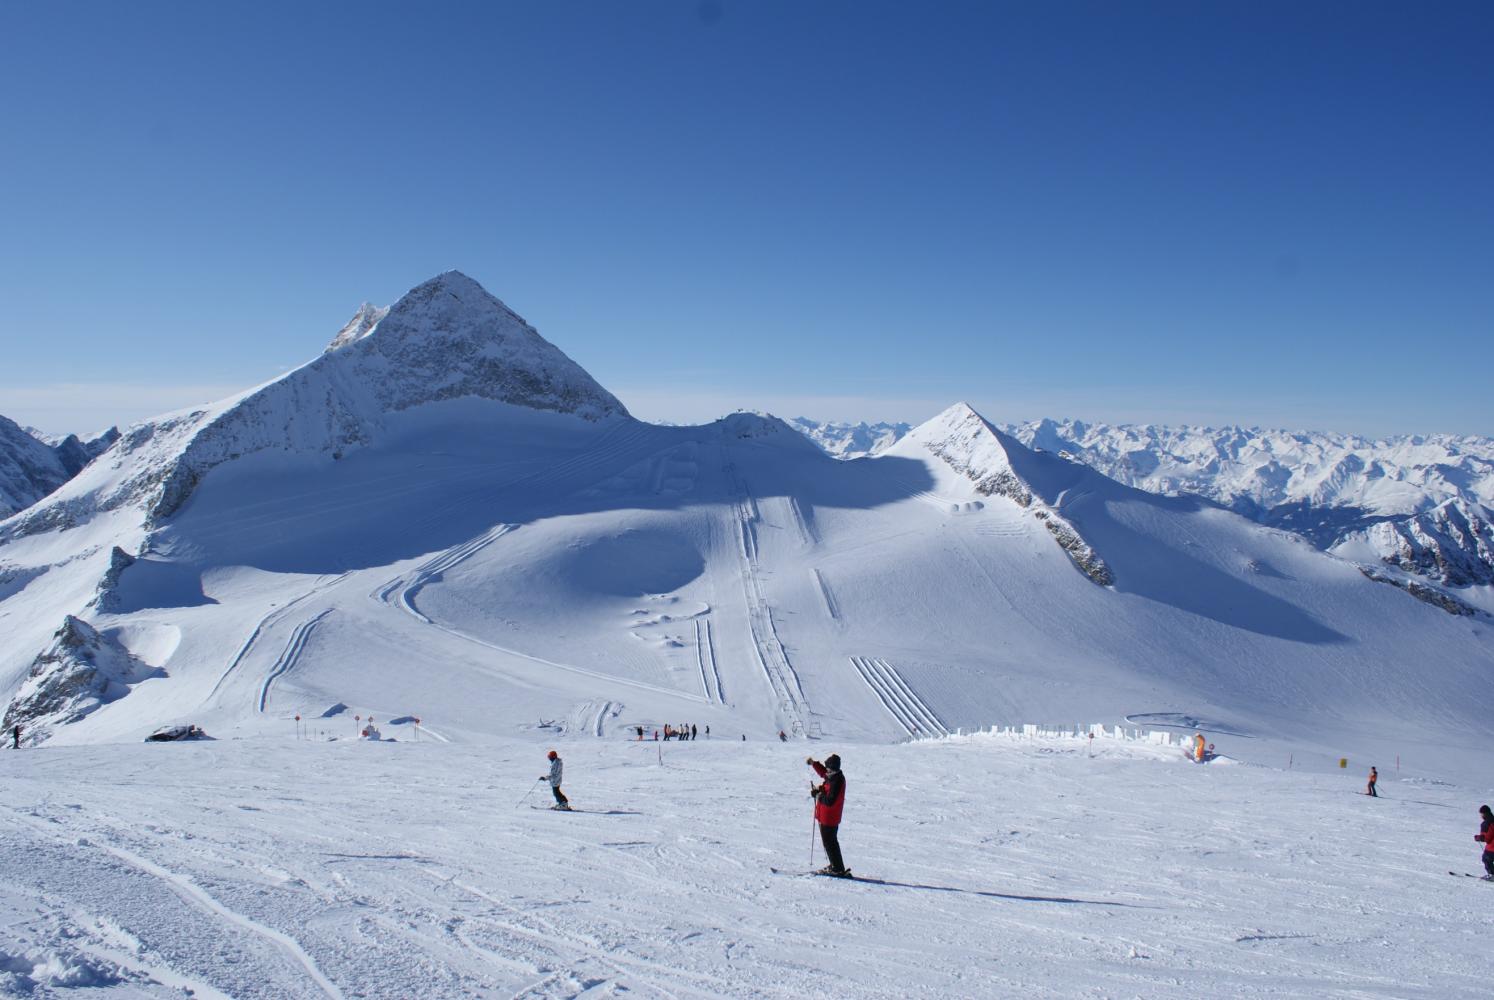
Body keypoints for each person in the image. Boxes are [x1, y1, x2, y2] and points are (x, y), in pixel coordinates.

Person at [807, 754, 849, 877]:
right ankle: (836, 866)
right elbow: (823, 773)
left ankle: (837, 868)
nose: (827, 770)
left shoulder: (837, 781)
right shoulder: (833, 776)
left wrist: (818, 795)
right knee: (831, 842)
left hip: (830, 817)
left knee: (829, 842)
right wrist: (814, 763)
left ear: (833, 768)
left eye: (829, 768)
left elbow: (830, 800)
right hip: (827, 816)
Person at [1476, 805, 1494, 880]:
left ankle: (1492, 875)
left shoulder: (1489, 823)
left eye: (1482, 814)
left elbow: (1487, 838)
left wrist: (1479, 838)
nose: (1481, 816)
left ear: (1485, 813)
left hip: (1492, 847)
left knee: (1486, 858)